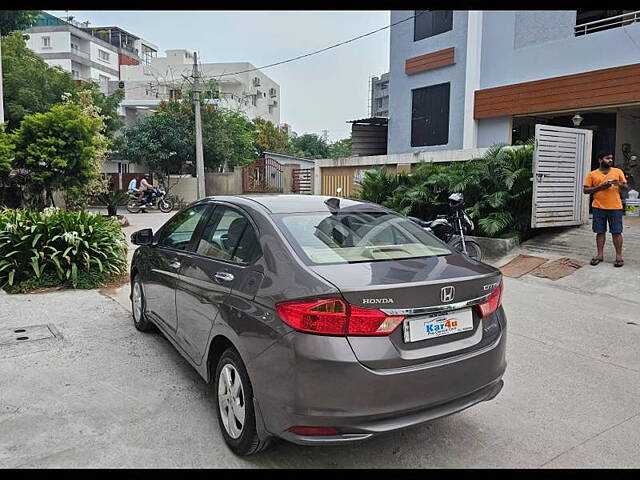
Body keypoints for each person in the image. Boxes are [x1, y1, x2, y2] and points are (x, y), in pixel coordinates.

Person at [583, 150, 628, 267]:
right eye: (607, 158)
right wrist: (600, 187)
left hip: (615, 207)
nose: (610, 160)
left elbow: (625, 187)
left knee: (617, 232)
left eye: (611, 158)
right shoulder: (592, 174)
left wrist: (618, 183)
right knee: (600, 232)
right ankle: (599, 255)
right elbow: (585, 190)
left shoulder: (617, 172)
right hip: (598, 207)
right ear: (600, 160)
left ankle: (619, 256)